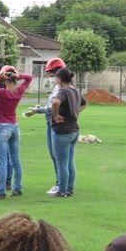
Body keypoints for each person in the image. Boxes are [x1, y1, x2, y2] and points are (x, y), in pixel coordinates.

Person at [0, 66, 32, 199]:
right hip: (14, 126)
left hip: (2, 126)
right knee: (16, 160)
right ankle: (17, 188)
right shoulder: (18, 91)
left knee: (2, 161)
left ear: (5, 80)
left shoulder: (2, 93)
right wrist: (18, 76)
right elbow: (29, 78)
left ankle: (1, 191)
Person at [24, 57, 66, 195]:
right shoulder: (59, 87)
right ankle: (63, 184)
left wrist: (38, 110)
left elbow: (52, 107)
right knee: (60, 157)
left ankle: (60, 185)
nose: (50, 76)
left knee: (57, 157)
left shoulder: (61, 89)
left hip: (55, 125)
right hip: (52, 123)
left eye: (51, 73)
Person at [48, 68, 86, 198]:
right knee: (70, 161)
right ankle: (69, 189)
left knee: (62, 163)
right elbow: (84, 103)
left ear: (59, 79)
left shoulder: (62, 91)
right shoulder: (75, 90)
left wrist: (56, 115)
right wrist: (75, 113)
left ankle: (62, 191)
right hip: (74, 130)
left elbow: (55, 102)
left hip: (63, 131)